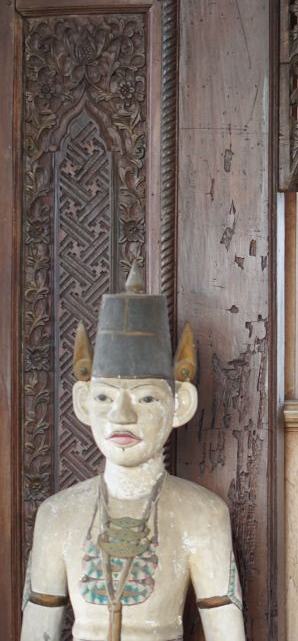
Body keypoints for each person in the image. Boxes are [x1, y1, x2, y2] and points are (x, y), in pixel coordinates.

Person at [22, 265, 244, 641]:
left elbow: (225, 630)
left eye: (146, 399)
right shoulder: (57, 515)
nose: (121, 416)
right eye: (104, 397)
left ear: (180, 405)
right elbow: (37, 629)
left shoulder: (202, 514)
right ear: (83, 402)